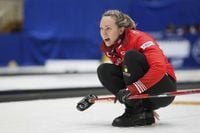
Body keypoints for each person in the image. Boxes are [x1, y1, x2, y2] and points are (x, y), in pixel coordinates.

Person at [97, 10, 177, 127]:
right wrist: (142, 106)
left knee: (131, 56)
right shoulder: (109, 47)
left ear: (121, 29)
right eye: (101, 28)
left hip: (164, 89)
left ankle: (137, 112)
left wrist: (133, 89)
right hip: (143, 92)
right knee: (104, 70)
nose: (103, 33)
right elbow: (127, 75)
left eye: (108, 28)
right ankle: (138, 111)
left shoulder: (140, 39)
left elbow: (159, 68)